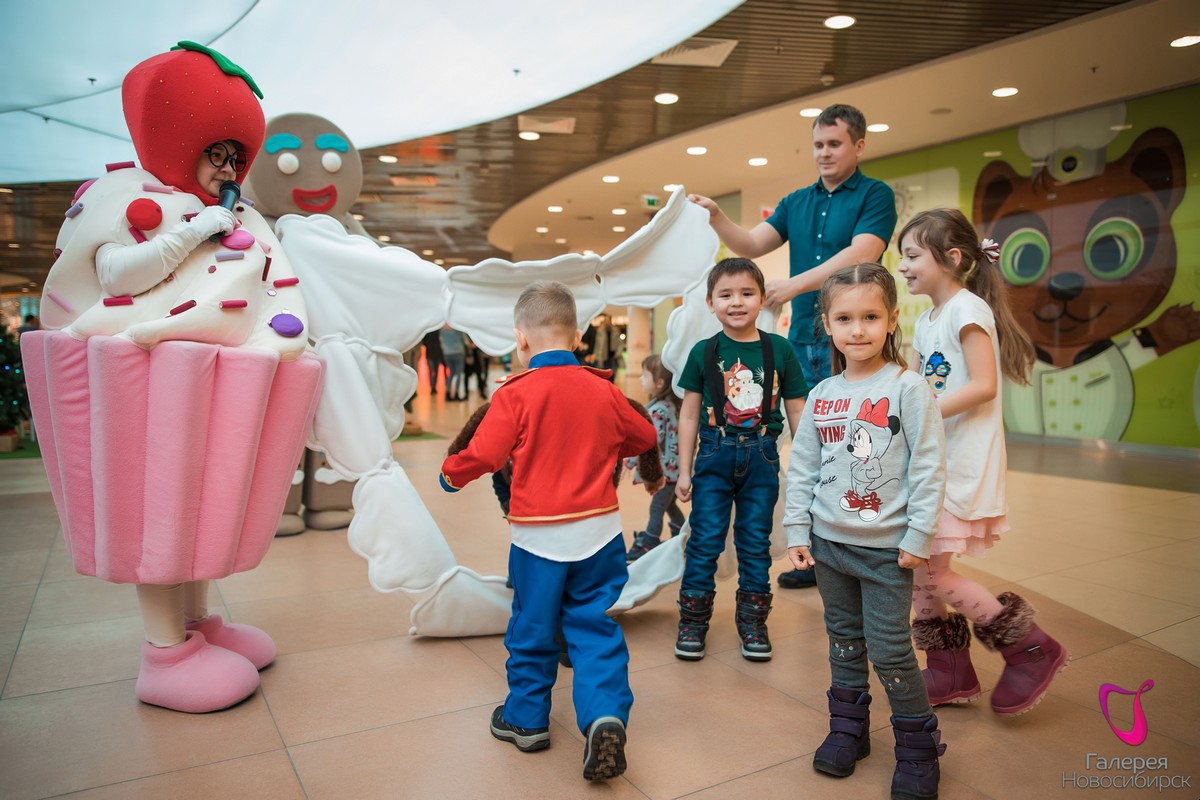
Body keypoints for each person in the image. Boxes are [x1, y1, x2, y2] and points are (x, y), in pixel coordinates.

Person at [439, 281, 658, 781]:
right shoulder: (605, 391)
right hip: (600, 533)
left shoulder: (516, 394)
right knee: (593, 625)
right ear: (577, 337)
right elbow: (644, 435)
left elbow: (485, 454)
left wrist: (451, 474)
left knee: (532, 627)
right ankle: (604, 714)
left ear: (520, 339)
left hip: (538, 538)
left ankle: (527, 719)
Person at [690, 103, 897, 590]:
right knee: (811, 447)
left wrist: (793, 285)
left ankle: (861, 549)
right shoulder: (797, 202)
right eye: (818, 144)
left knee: (855, 444)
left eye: (835, 144)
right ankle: (818, 556)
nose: (824, 153)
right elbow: (750, 243)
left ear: (859, 145)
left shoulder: (876, 195)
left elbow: (862, 254)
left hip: (852, 339)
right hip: (804, 334)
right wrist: (718, 217)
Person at [782, 262, 947, 800]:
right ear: (827, 325)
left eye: (871, 317)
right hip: (829, 546)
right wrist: (797, 529)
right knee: (843, 640)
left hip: (885, 552)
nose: (858, 330)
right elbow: (804, 466)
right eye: (845, 318)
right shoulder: (822, 393)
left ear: (893, 319)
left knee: (891, 650)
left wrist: (919, 536)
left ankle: (919, 750)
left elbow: (928, 466)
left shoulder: (908, 388)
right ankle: (848, 730)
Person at [899, 208, 1069, 716]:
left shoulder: (967, 309)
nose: (903, 266)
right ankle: (948, 669)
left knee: (933, 571)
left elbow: (983, 385)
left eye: (912, 255)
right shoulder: (928, 319)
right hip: (936, 461)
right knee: (921, 570)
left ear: (951, 258)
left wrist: (919, 413)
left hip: (963, 463)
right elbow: (919, 386)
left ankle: (1030, 647)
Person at [674, 258, 807, 663]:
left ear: (762, 299)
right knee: (705, 540)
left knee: (754, 542)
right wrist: (683, 470)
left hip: (762, 456)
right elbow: (689, 415)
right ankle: (693, 622)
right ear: (710, 303)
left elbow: (797, 408)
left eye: (747, 293)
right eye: (726, 295)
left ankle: (752, 622)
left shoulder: (780, 349)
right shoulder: (703, 352)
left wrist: (808, 464)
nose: (736, 302)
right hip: (713, 454)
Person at [624, 354, 685, 562]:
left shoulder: (658, 410)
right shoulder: (672, 405)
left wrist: (630, 459)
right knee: (669, 505)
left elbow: (650, 440)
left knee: (657, 507)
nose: (640, 379)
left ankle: (648, 544)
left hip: (667, 472)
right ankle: (682, 536)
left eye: (644, 375)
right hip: (676, 470)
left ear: (659, 383)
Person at [440, 325, 467, 401]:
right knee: (458, 374)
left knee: (451, 374)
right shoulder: (458, 330)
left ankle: (448, 393)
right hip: (458, 352)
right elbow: (465, 341)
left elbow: (441, 341)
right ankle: (456, 394)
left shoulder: (442, 331)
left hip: (447, 353)